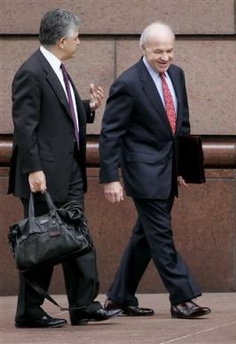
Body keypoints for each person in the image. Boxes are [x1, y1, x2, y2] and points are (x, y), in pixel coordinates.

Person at [8, 8, 121, 328]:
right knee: (42, 243)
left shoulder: (57, 67)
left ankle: (83, 304)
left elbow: (59, 111)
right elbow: (25, 127)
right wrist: (33, 170)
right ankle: (29, 311)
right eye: (76, 38)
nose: (79, 42)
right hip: (43, 174)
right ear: (61, 40)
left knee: (77, 236)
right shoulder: (31, 71)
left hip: (69, 170)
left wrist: (88, 108)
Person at [99, 21, 211, 319]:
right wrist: (111, 177)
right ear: (143, 49)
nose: (165, 57)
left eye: (170, 50)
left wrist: (182, 167)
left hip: (169, 168)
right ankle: (182, 298)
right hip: (142, 172)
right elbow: (111, 134)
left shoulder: (176, 74)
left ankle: (118, 298)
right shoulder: (128, 83)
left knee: (145, 236)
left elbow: (181, 123)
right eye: (158, 51)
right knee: (161, 234)